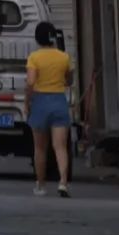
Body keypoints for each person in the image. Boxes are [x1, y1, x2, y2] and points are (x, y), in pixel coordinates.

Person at [26, 20, 73, 197]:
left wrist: (27, 102)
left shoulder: (34, 58)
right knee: (60, 147)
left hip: (40, 102)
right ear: (53, 38)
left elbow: (31, 82)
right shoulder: (64, 57)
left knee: (40, 148)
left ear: (37, 39)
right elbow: (69, 80)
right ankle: (63, 182)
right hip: (59, 102)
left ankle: (40, 185)